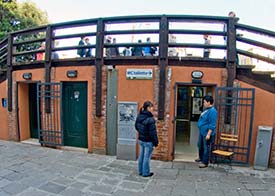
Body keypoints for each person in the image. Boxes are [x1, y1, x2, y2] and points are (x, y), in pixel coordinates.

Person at [135, 101, 158, 177]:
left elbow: (136, 126)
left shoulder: (139, 116)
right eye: (151, 107)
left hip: (141, 139)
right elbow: (153, 133)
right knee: (146, 157)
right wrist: (155, 142)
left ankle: (140, 171)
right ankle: (146, 173)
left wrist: (142, 133)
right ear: (148, 108)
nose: (152, 109)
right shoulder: (150, 119)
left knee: (141, 155)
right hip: (148, 141)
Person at [195, 95, 217, 168]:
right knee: (200, 145)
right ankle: (201, 158)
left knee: (206, 147)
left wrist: (208, 134)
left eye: (204, 102)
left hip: (207, 133)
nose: (203, 103)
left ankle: (205, 162)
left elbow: (212, 124)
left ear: (208, 102)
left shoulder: (213, 111)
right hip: (202, 132)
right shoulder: (206, 109)